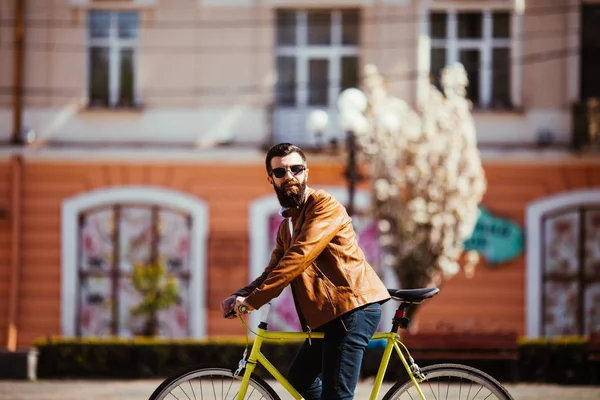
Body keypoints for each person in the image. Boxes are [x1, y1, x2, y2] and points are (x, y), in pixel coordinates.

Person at [221, 142, 390, 400]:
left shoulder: (324, 206)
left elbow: (299, 256)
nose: (289, 176)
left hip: (353, 308)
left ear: (306, 173)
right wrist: (240, 295)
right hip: (328, 316)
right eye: (281, 172)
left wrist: (253, 302)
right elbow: (274, 269)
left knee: (337, 395)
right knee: (300, 379)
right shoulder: (286, 227)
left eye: (296, 169)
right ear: (271, 178)